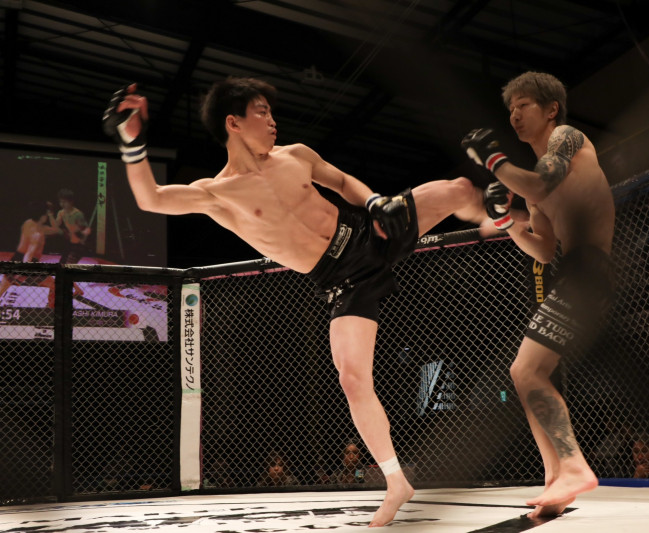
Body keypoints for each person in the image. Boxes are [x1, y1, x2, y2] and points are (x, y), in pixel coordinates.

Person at [102, 78, 486, 527]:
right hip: (341, 281)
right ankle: (396, 481)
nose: (272, 121)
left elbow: (340, 181)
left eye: (271, 112)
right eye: (261, 112)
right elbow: (150, 198)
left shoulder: (297, 155)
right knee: (352, 379)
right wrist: (131, 142)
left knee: (459, 189)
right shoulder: (217, 194)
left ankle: (506, 219)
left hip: (369, 234)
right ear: (233, 123)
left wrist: (374, 201)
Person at [461, 71, 615, 517]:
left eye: (523, 105)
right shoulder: (533, 183)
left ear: (550, 110)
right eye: (510, 108)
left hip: (590, 271)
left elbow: (541, 183)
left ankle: (574, 466)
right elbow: (545, 250)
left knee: (526, 370)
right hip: (572, 272)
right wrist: (507, 223)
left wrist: (493, 161)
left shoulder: (567, 139)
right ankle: (556, 480)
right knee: (526, 374)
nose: (514, 115)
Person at [48, 188, 91, 264]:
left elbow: (86, 230)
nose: (62, 204)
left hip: (79, 244)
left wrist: (80, 236)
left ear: (71, 202)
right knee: (62, 263)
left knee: (69, 264)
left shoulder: (78, 214)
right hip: (71, 242)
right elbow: (56, 226)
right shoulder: (61, 213)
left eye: (64, 202)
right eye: (60, 202)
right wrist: (50, 215)